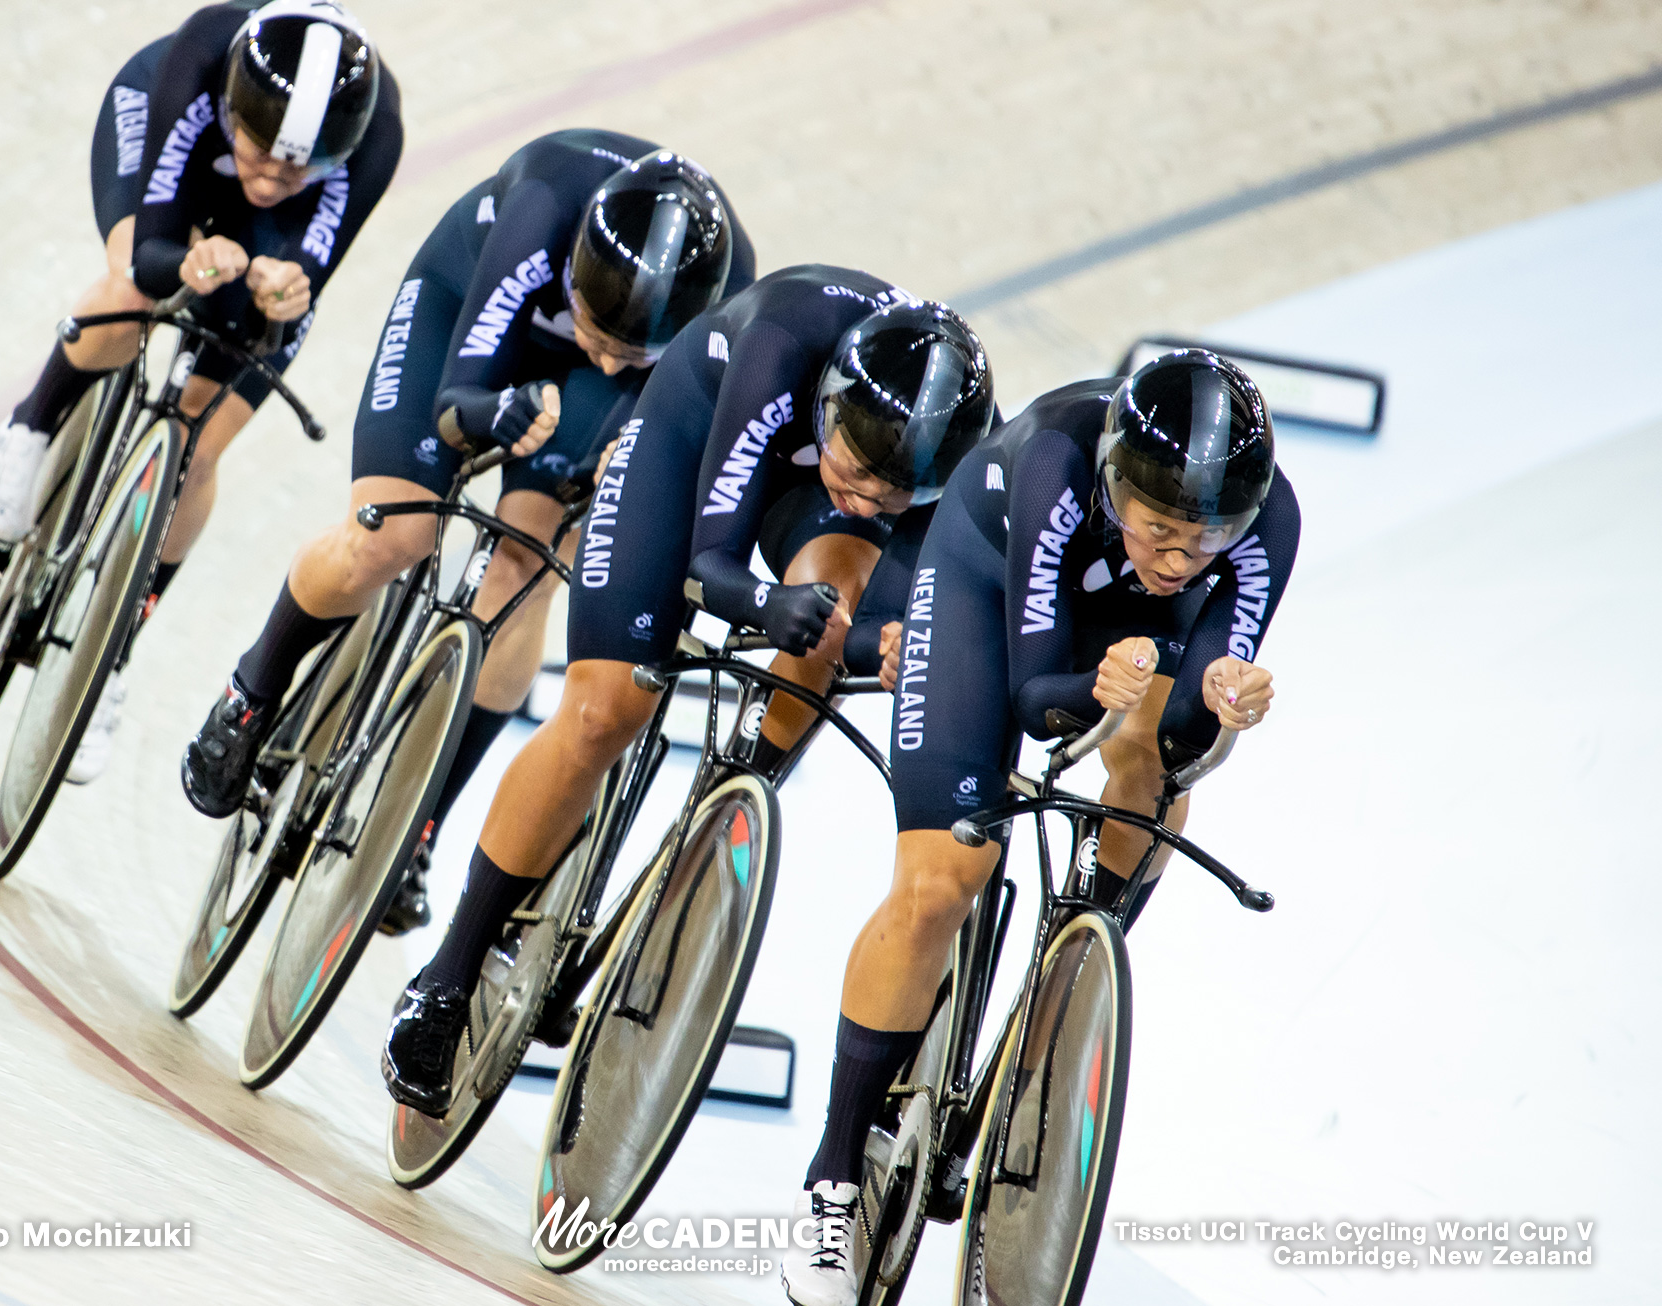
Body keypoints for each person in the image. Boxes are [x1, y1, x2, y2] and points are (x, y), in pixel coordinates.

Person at [379, 266, 995, 1116]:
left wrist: (883, 646)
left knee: (836, 609)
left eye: (897, 494)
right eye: (858, 471)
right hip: (690, 441)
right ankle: (445, 979)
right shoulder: (783, 347)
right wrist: (766, 604)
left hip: (800, 503)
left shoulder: (954, 450)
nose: (867, 497)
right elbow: (709, 568)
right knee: (604, 711)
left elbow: (923, 606)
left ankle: (730, 796)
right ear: (837, 405)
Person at [779, 349, 1301, 1306]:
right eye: (1161, 531)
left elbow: (1190, 729)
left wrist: (1223, 698)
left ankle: (1080, 938)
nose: (1184, 558)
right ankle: (834, 1179)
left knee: (1159, 757)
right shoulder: (1057, 460)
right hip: (990, 589)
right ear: (1116, 484)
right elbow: (1031, 698)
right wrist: (1091, 692)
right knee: (942, 879)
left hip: (1137, 640)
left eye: (1208, 538)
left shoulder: (1268, 523)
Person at [180, 132, 755, 933]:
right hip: (465, 310)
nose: (615, 358)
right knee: (392, 536)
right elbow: (456, 400)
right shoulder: (544, 208)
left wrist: (618, 446)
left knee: (526, 568)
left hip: (579, 395)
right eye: (601, 332)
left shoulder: (724, 292)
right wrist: (492, 413)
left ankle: (421, 823)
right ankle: (252, 693)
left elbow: (665, 421)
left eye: (637, 353)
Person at [0, 0, 401, 784]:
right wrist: (184, 266)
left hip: (267, 236)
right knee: (133, 288)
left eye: (292, 168)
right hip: (171, 153)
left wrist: (281, 284)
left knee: (198, 448)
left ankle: (113, 651)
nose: (268, 177)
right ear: (237, 107)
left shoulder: (375, 135)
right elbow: (155, 244)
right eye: (260, 151)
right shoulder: (205, 57)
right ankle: (28, 432)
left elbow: (310, 266)